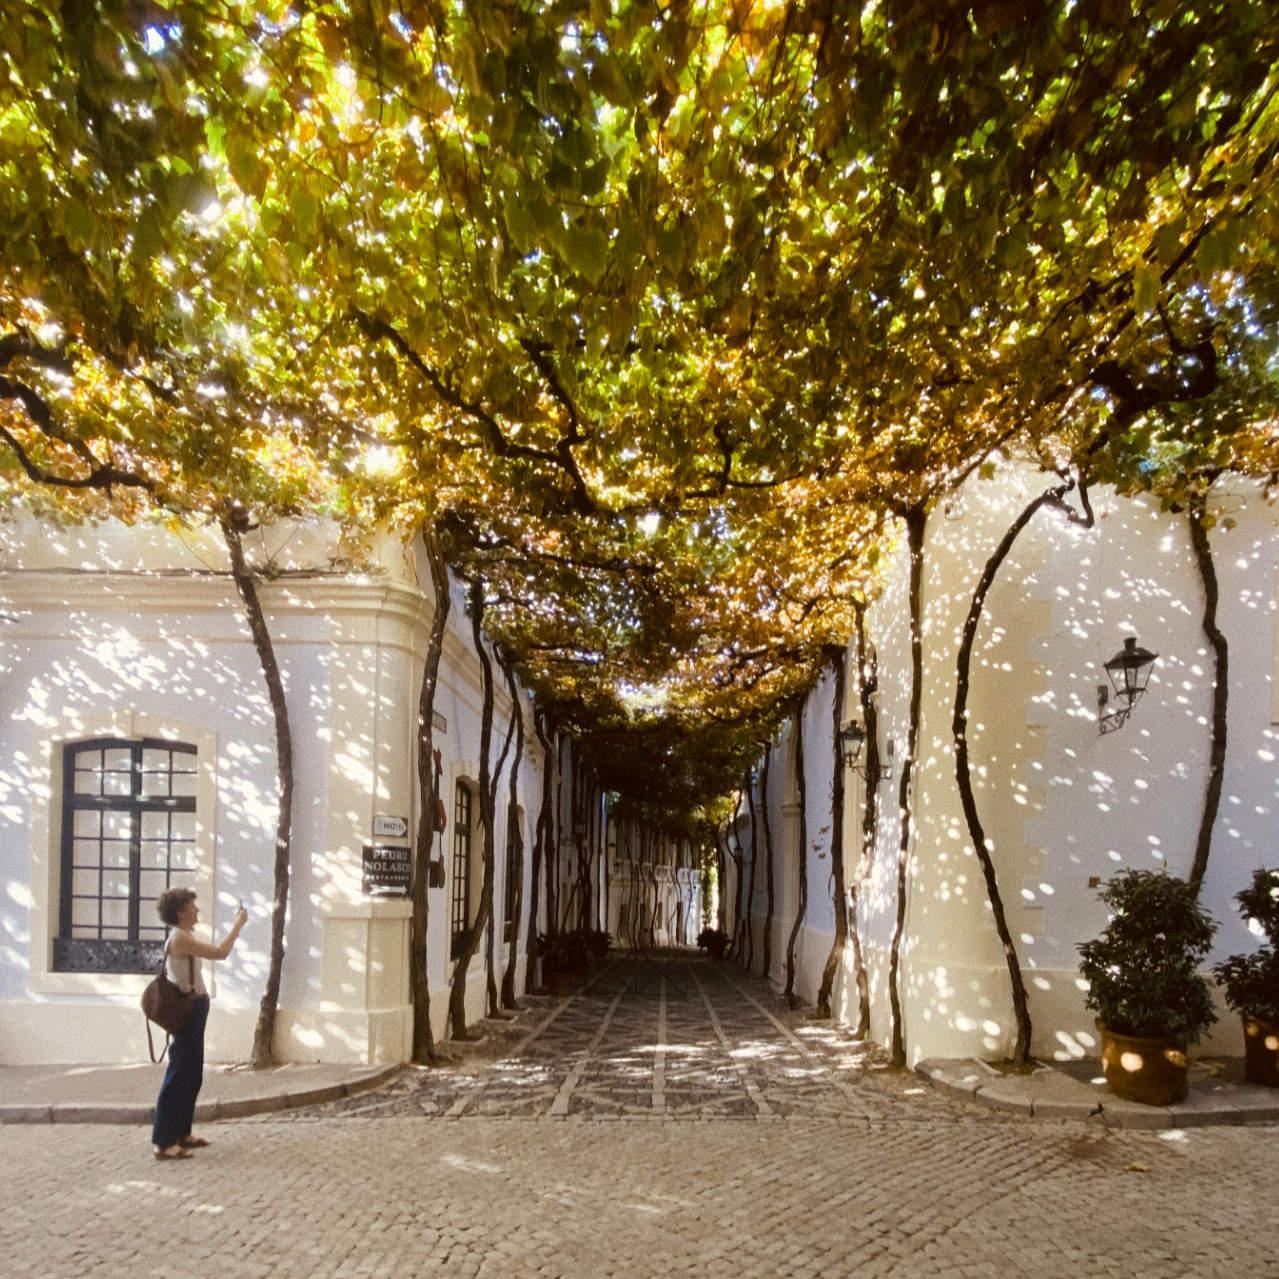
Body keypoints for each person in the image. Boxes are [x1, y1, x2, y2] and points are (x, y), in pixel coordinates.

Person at [151, 888, 247, 1160]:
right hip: (187, 1010)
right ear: (180, 912)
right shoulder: (180, 939)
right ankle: (163, 1141)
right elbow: (220, 952)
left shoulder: (185, 935)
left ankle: (182, 1132)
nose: (197, 911)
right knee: (179, 1074)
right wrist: (238, 925)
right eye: (192, 907)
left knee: (192, 1074)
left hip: (195, 1007)